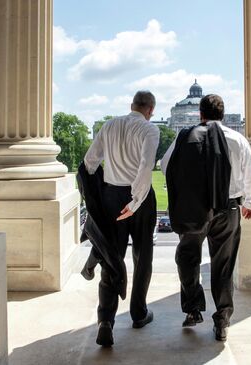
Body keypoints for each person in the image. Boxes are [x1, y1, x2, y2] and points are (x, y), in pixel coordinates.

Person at [161, 94, 251, 342]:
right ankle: (223, 318)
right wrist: (250, 203)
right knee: (223, 265)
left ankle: (193, 309)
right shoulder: (237, 138)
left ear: (200, 115)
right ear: (223, 115)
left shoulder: (185, 137)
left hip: (194, 207)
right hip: (229, 209)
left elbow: (164, 164)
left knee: (187, 258)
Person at [83, 90, 160, 347]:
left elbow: (90, 162)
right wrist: (135, 201)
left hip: (111, 196)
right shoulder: (150, 130)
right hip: (139, 198)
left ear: (132, 105)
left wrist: (101, 191)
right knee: (143, 255)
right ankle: (138, 313)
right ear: (150, 110)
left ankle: (106, 320)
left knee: (111, 257)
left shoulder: (110, 124)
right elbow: (145, 168)